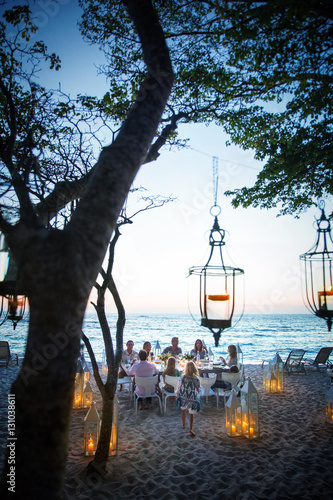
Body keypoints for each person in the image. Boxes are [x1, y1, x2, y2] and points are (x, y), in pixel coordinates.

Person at [175, 360, 203, 436]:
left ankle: (183, 424)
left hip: (183, 397)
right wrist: (198, 395)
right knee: (191, 414)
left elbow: (179, 386)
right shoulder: (196, 379)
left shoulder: (182, 377)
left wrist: (177, 394)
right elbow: (198, 388)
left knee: (183, 411)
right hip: (192, 398)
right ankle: (191, 428)